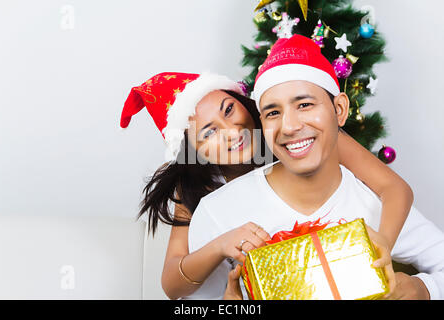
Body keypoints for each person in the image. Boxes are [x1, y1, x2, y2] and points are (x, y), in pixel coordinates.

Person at [187, 34, 444, 300]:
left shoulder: (376, 207)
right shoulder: (218, 212)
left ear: (340, 109)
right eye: (273, 113)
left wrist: (424, 288)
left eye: (305, 105)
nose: (289, 126)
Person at [120, 69, 412, 300]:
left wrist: (384, 241)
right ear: (193, 150)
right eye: (209, 132)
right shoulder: (197, 188)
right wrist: (220, 246)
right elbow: (172, 286)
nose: (233, 132)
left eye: (229, 110)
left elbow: (395, 188)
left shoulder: (295, 136)